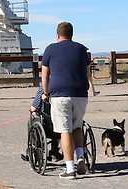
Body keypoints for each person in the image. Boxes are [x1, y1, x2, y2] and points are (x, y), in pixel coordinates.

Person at [41, 21, 91, 179]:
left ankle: (70, 168)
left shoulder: (50, 49)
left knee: (65, 130)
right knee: (77, 127)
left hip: (60, 94)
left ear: (57, 35)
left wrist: (46, 92)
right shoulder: (82, 49)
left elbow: (44, 75)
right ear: (72, 35)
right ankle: (80, 155)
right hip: (80, 94)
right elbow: (87, 73)